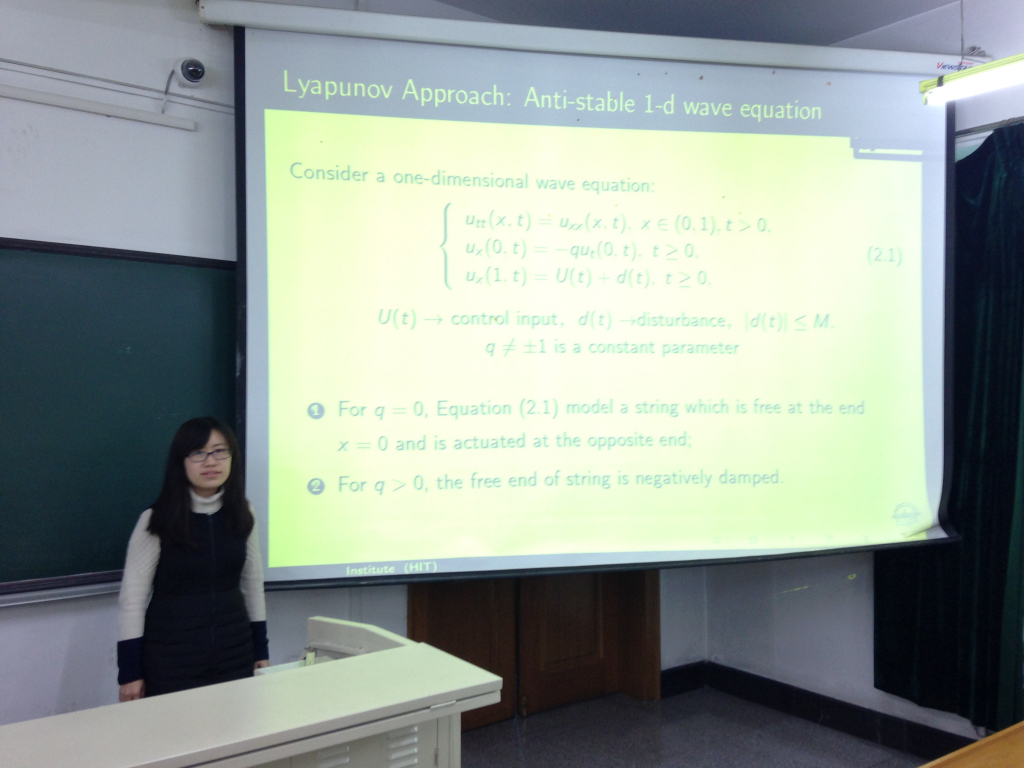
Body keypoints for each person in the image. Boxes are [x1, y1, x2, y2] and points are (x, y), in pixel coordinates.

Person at [117, 417, 269, 700]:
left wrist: (261, 650)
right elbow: (132, 600)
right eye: (198, 453)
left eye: (220, 451)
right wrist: (130, 672)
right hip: (171, 659)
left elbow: (253, 584)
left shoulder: (242, 513)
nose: (211, 461)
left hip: (235, 653)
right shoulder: (156, 520)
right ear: (181, 462)